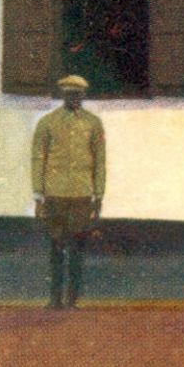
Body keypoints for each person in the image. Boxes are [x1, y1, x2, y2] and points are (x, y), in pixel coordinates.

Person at [31, 74, 106, 308]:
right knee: (56, 249)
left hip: (82, 196)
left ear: (84, 95)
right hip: (54, 196)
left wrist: (99, 195)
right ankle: (55, 300)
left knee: (77, 251)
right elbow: (38, 159)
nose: (74, 98)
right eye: (70, 94)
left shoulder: (93, 124)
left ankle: (72, 301)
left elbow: (100, 161)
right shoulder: (47, 122)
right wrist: (38, 195)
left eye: (78, 94)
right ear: (63, 95)